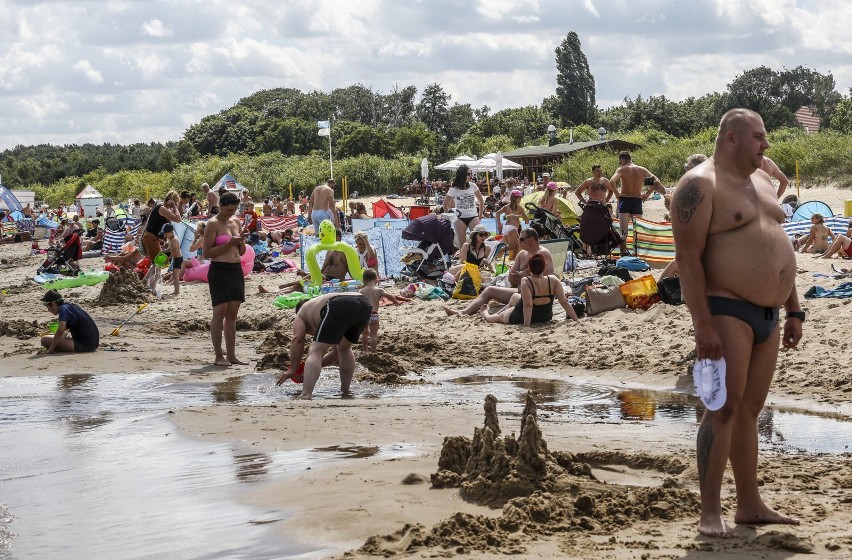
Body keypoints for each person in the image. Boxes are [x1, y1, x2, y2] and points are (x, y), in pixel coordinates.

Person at [671, 108, 802, 538]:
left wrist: (794, 307)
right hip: (727, 309)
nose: (766, 145)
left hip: (770, 314)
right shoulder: (699, 186)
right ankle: (711, 512)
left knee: (750, 411)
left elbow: (778, 246)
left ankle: (749, 504)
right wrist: (702, 326)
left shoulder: (762, 179)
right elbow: (688, 261)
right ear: (732, 138)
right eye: (759, 137)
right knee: (723, 409)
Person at [275, 292, 372, 399]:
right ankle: (345, 391)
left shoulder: (300, 314)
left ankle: (306, 394)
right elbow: (335, 354)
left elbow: (297, 339)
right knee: (344, 348)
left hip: (339, 303)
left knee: (315, 350)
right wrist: (308, 369)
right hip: (364, 303)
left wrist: (292, 369)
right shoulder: (316, 310)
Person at [444, 228, 553, 316]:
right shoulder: (522, 254)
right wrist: (521, 275)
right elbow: (511, 277)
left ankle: (492, 317)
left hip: (536, 296)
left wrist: (520, 275)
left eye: (522, 239)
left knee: (509, 301)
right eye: (519, 239)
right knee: (489, 290)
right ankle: (463, 312)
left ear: (532, 240)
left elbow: (536, 278)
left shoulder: (542, 254)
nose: (519, 243)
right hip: (519, 292)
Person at [202, 192, 248, 367]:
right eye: (229, 210)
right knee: (219, 312)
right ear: (221, 206)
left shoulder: (235, 221)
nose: (231, 213)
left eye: (234, 210)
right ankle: (218, 356)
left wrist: (240, 240)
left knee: (233, 314)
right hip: (219, 269)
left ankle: (232, 355)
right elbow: (207, 253)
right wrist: (229, 243)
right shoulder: (212, 224)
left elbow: (242, 252)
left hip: (236, 269)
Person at [481, 254, 579, 326]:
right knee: (515, 297)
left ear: (529, 269)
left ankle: (486, 315)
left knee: (500, 317)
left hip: (523, 317)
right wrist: (576, 320)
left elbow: (528, 306)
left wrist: (526, 326)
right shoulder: (553, 280)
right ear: (544, 266)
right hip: (545, 316)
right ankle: (506, 311)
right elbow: (564, 302)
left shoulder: (526, 281)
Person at [659, 154, 709, 280]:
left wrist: (672, 208)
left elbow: (693, 220)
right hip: (697, 246)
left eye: (688, 168)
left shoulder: (704, 188)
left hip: (704, 248)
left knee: (676, 266)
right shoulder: (696, 187)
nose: (685, 172)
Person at [610, 150, 664, 239]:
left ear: (622, 159)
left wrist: (617, 194)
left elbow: (612, 181)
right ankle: (637, 252)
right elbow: (656, 181)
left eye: (620, 162)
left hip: (625, 200)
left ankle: (623, 253)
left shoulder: (622, 169)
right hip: (637, 200)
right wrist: (647, 194)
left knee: (623, 232)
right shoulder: (642, 169)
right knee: (637, 231)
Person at [141, 191, 182, 295]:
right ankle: (151, 287)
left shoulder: (161, 208)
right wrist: (174, 207)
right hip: (150, 237)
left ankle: (146, 282)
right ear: (170, 201)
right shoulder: (161, 208)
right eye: (174, 202)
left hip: (152, 237)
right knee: (158, 263)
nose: (175, 205)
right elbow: (178, 219)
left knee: (156, 263)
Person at [359, 268, 406, 352]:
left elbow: (357, 301)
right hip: (374, 314)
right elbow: (390, 296)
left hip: (363, 315)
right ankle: (373, 351)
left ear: (364, 280)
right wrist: (395, 302)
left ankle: (365, 350)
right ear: (376, 279)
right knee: (373, 334)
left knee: (364, 334)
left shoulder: (361, 290)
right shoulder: (379, 290)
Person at [443, 164, 484, 249]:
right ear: (462, 175)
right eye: (469, 174)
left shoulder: (473, 186)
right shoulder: (454, 189)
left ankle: (477, 259)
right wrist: (450, 217)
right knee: (463, 245)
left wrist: (480, 215)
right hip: (459, 218)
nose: (471, 176)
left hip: (473, 216)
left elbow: (481, 201)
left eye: (471, 174)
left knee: (479, 239)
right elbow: (445, 204)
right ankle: (464, 260)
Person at [495, 189, 529, 258]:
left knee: (515, 245)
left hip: (506, 227)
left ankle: (497, 258)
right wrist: (526, 220)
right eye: (520, 198)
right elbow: (526, 219)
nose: (520, 200)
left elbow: (497, 213)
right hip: (513, 228)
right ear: (517, 198)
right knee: (512, 247)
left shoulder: (506, 206)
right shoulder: (519, 207)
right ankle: (496, 251)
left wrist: (499, 223)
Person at [160, 224, 182, 296]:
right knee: (174, 275)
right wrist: (163, 251)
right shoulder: (169, 239)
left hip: (178, 258)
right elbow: (170, 248)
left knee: (175, 276)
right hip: (175, 258)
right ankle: (176, 290)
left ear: (171, 232)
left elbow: (175, 253)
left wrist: (167, 259)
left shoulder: (174, 240)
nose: (165, 236)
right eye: (164, 234)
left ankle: (177, 291)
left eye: (166, 234)